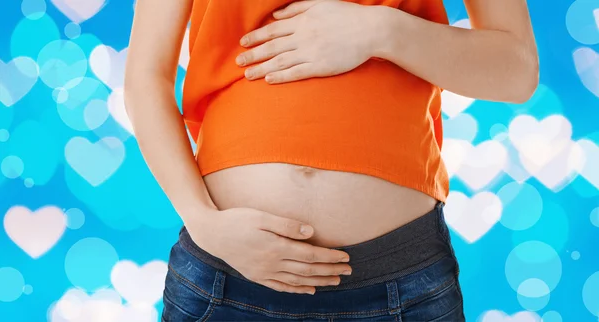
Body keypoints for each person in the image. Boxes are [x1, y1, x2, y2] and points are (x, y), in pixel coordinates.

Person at [124, 0, 538, 320]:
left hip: (401, 283)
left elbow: (516, 71)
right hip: (227, 275)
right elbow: (146, 76)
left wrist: (382, 31)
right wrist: (202, 222)